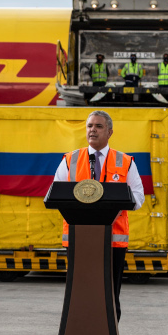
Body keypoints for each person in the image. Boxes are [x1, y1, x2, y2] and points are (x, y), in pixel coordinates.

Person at [52, 110, 145, 319]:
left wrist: (112, 207)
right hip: (78, 239)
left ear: (110, 132)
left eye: (98, 126)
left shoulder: (125, 161)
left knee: (110, 295)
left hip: (113, 241)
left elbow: (139, 197)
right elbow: (56, 194)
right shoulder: (70, 159)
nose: (92, 130)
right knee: (80, 294)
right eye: (89, 126)